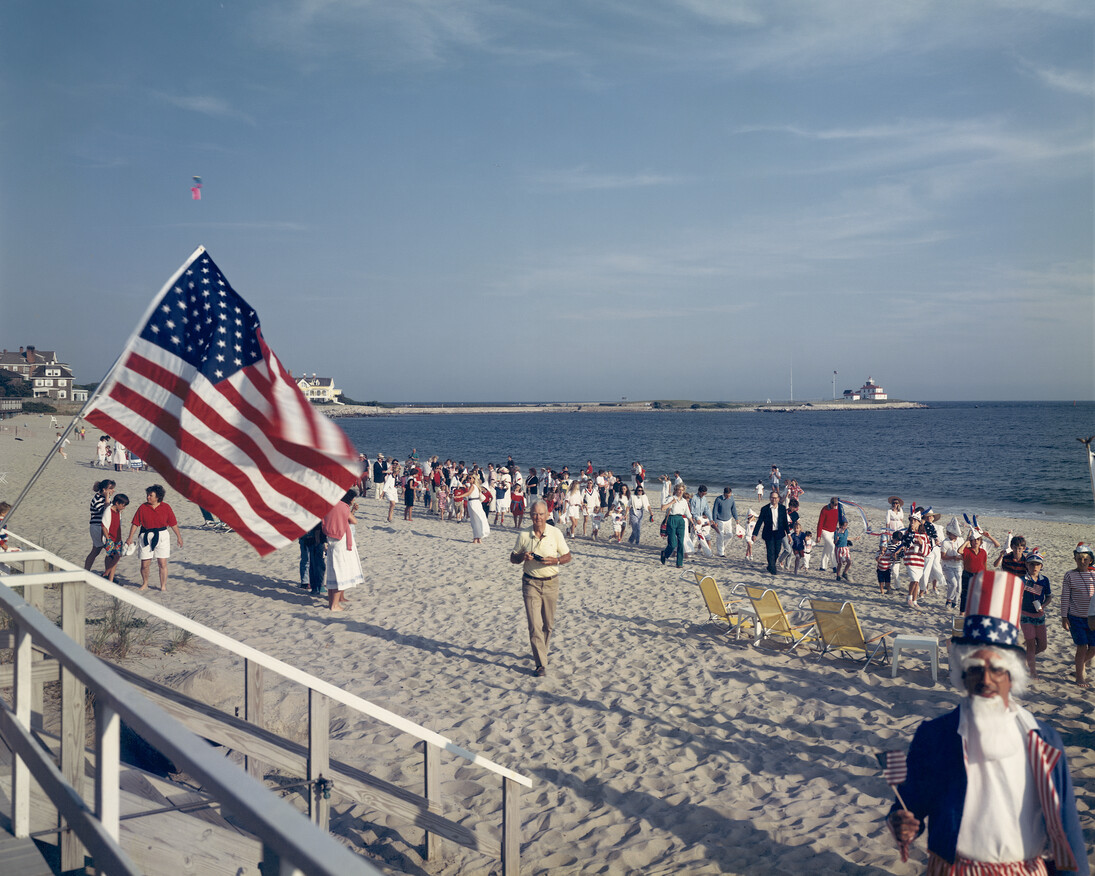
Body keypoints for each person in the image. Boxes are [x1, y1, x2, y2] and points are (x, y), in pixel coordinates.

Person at [886, 570, 1088, 875]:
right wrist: (901, 823)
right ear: (962, 674)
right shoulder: (935, 736)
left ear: (1012, 677)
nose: (986, 679)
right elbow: (908, 805)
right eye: (976, 669)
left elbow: (1067, 831)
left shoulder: (1043, 741)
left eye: (997, 669)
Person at [510, 501, 571, 677]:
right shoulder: (524, 535)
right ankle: (540, 664)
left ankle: (541, 653)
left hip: (551, 582)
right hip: (530, 583)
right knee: (534, 625)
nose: (538, 518)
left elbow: (568, 556)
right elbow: (513, 558)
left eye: (541, 514)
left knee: (548, 625)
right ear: (530, 515)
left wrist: (556, 561)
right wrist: (523, 556)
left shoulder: (555, 533)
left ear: (547, 515)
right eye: (535, 514)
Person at [125, 484, 183, 592]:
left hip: (162, 535)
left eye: (150, 495)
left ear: (158, 497)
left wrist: (179, 537)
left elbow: (173, 523)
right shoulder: (143, 507)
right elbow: (135, 523)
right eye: (147, 495)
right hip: (145, 536)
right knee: (145, 564)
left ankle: (163, 586)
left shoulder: (166, 507)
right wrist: (130, 537)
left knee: (162, 563)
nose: (148, 497)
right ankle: (145, 583)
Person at [1060, 542, 1095, 688]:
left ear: (1090, 560)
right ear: (1075, 559)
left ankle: (1079, 667)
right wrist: (1064, 617)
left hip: (1092, 618)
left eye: (1085, 559)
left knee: (1093, 648)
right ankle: (1079, 676)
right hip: (1076, 617)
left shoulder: (1094, 575)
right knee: (1081, 647)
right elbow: (1065, 597)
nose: (1082, 562)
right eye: (1079, 558)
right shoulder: (1070, 575)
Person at [322, 491, 364, 611]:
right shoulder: (342, 507)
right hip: (341, 541)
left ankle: (334, 601)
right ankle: (334, 605)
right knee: (340, 572)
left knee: (332, 571)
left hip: (331, 538)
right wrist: (351, 511)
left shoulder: (329, 505)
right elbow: (354, 520)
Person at [1019, 551, 1052, 679]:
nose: (1035, 567)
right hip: (1025, 615)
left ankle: (1024, 656)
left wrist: (1043, 606)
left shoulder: (1045, 580)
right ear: (1027, 565)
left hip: (1039, 616)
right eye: (1032, 564)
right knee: (1031, 643)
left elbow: (1049, 597)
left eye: (1037, 564)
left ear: (1041, 566)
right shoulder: (1022, 580)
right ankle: (1033, 672)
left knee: (1043, 646)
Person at [753, 490, 789, 576]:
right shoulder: (765, 509)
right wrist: (754, 534)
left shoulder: (782, 508)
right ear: (770, 498)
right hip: (768, 533)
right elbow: (759, 522)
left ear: (778, 498)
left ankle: (770, 565)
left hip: (779, 533)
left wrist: (789, 534)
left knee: (777, 551)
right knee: (770, 551)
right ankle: (773, 570)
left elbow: (785, 522)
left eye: (775, 498)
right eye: (772, 498)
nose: (774, 499)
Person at [85, 479, 116, 571]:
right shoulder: (97, 499)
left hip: (101, 527)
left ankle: (87, 570)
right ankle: (107, 574)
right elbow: (106, 511)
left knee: (97, 551)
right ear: (104, 490)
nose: (113, 491)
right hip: (98, 527)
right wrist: (107, 497)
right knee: (108, 551)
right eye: (111, 489)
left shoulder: (105, 498)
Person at [659, 483, 693, 568]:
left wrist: (693, 523)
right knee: (673, 543)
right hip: (671, 519)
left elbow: (688, 513)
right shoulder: (671, 498)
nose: (681, 491)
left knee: (681, 542)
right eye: (679, 490)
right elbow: (662, 508)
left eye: (682, 490)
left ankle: (679, 563)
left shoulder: (684, 501)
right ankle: (665, 553)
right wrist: (671, 502)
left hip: (681, 520)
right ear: (676, 490)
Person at [100, 493, 130, 583]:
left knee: (115, 557)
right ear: (117, 503)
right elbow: (104, 526)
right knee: (115, 557)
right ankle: (106, 574)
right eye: (123, 505)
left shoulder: (118, 512)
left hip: (117, 538)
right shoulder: (108, 511)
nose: (124, 507)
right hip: (110, 538)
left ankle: (110, 578)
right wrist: (108, 539)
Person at [298, 522, 326, 594]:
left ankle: (311, 585)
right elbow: (317, 527)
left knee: (310, 562)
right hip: (313, 538)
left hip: (307, 536)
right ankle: (318, 586)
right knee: (317, 563)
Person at [711, 487, 738, 557]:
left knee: (730, 535)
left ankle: (722, 547)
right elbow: (715, 511)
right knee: (720, 536)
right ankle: (721, 553)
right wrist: (714, 521)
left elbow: (733, 509)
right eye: (727, 496)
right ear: (724, 493)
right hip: (720, 520)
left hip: (728, 520)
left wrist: (736, 518)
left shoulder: (731, 498)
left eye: (729, 495)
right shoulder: (718, 499)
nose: (728, 497)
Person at [816, 497, 841, 572]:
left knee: (827, 548)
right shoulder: (824, 509)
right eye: (834, 505)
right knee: (831, 546)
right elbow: (820, 523)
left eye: (837, 505)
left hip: (833, 532)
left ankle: (823, 567)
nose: (835, 506)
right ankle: (835, 566)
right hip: (825, 531)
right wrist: (818, 536)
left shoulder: (838, 509)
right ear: (831, 503)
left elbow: (840, 520)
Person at [465, 475, 490, 543]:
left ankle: (476, 538)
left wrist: (459, 496)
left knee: (475, 520)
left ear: (473, 479)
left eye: (470, 478)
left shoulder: (473, 486)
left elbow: (468, 493)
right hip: (475, 503)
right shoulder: (475, 486)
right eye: (468, 478)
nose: (469, 479)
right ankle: (478, 538)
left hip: (473, 503)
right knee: (477, 519)